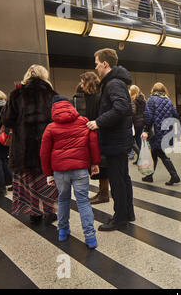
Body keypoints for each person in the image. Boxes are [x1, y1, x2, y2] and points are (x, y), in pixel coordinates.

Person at [0, 65, 58, 224]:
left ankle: (34, 212)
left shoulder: (17, 93)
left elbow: (6, 120)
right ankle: (50, 210)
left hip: (23, 147)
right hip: (46, 144)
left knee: (29, 179)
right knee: (48, 178)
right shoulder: (52, 94)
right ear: (44, 76)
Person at [40, 95, 100, 248]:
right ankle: (90, 237)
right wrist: (95, 163)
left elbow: (44, 153)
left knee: (63, 199)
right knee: (83, 201)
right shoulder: (84, 121)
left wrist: (48, 174)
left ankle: (63, 231)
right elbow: (93, 142)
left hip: (60, 171)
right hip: (80, 169)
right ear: (70, 106)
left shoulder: (51, 127)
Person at [87, 48, 135, 231]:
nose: (96, 67)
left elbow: (121, 108)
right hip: (119, 139)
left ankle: (120, 218)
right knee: (123, 178)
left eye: (97, 63)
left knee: (117, 180)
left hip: (115, 141)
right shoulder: (116, 82)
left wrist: (98, 122)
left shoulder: (113, 83)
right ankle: (127, 213)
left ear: (105, 64)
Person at [73, 72, 109, 205]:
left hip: (98, 133)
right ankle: (102, 191)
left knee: (102, 163)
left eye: (83, 82)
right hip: (93, 133)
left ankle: (104, 193)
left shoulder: (98, 96)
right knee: (98, 162)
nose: (81, 85)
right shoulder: (91, 96)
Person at [141, 82, 180, 185]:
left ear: (153, 90)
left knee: (161, 154)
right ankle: (150, 176)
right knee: (154, 152)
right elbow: (176, 115)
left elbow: (148, 117)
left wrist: (145, 129)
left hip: (156, 132)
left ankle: (174, 176)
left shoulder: (151, 100)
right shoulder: (168, 100)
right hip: (166, 131)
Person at [130, 85, 146, 164]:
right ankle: (141, 157)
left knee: (137, 141)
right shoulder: (142, 99)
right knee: (139, 140)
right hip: (142, 122)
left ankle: (141, 158)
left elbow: (133, 112)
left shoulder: (134, 100)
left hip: (136, 122)